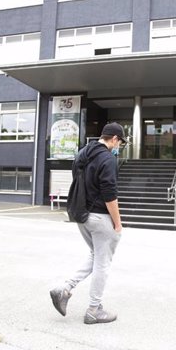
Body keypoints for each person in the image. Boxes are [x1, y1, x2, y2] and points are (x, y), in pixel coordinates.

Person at [50, 122, 126, 324]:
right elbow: (110, 194)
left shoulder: (82, 154)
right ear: (114, 139)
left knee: (95, 255)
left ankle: (64, 288)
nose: (119, 147)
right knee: (103, 263)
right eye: (120, 143)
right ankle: (94, 309)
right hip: (100, 217)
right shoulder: (107, 159)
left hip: (82, 215)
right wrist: (117, 224)